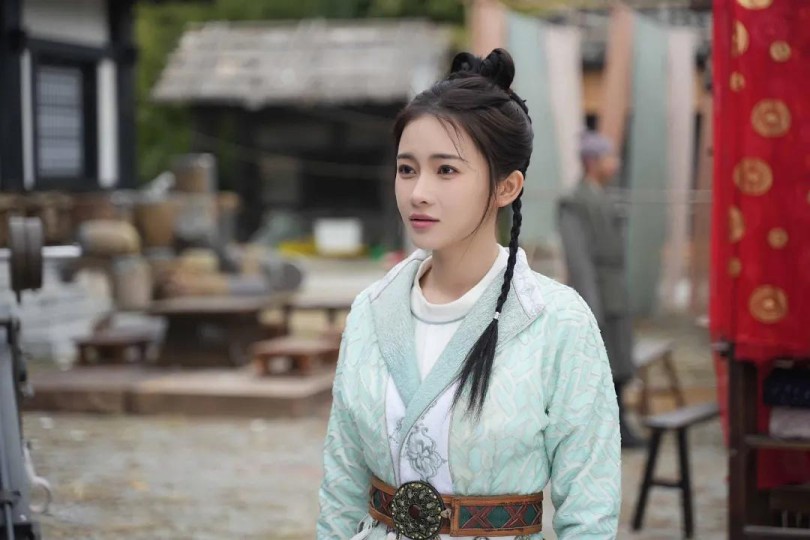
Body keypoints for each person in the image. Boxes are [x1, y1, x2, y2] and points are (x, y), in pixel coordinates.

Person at [317, 50, 620, 540]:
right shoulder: (372, 311)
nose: (418, 192)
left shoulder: (556, 321)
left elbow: (590, 507)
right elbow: (341, 484)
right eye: (407, 169)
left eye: (446, 171)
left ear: (507, 186)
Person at [557, 131, 644, 449]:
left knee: (619, 362)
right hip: (598, 295)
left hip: (614, 293)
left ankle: (620, 425)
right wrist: (589, 306)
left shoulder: (603, 196)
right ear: (592, 162)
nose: (615, 163)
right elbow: (579, 259)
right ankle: (605, 430)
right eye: (609, 157)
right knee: (602, 365)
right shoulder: (574, 201)